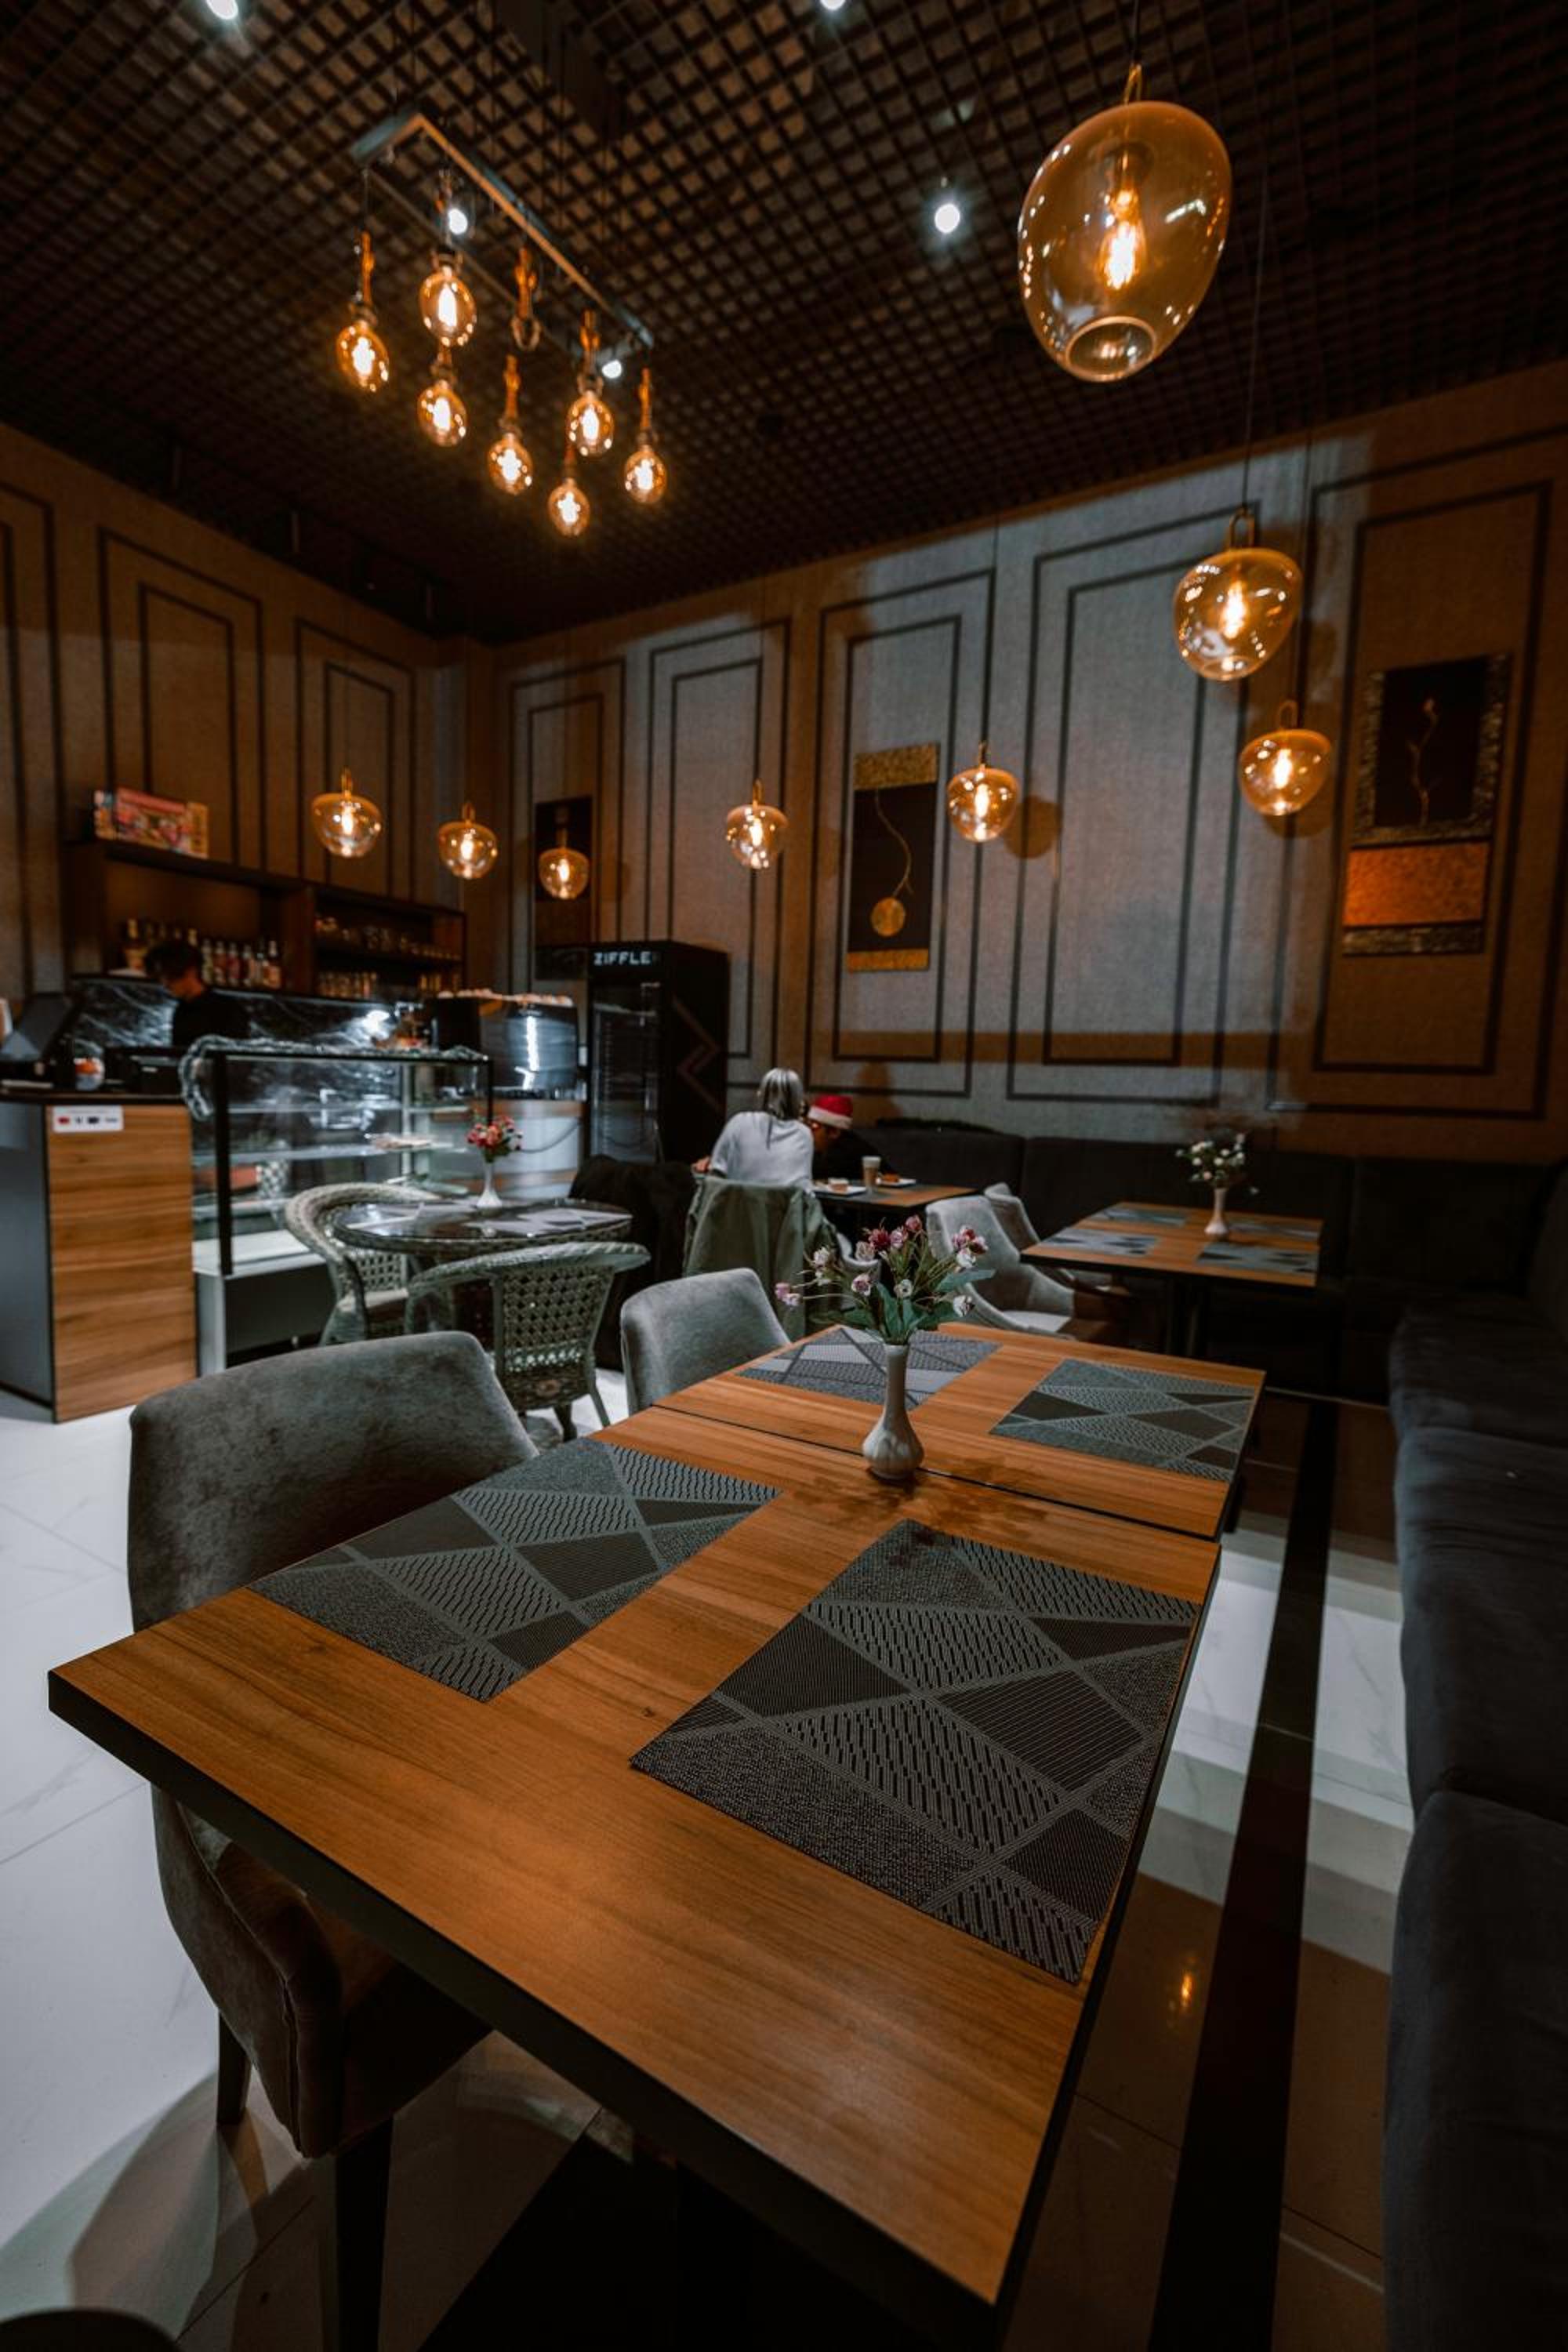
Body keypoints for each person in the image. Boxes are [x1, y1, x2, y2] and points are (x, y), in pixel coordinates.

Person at [694, 1068, 813, 1187]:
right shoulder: (804, 1134)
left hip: (739, 1198)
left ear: (762, 1094)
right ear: (797, 1100)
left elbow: (716, 1171)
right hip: (787, 1200)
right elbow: (803, 1186)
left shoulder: (739, 1121)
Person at [145, 938, 252, 1058]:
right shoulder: (181, 1010)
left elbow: (237, 1059)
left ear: (191, 971)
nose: (165, 984)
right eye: (161, 977)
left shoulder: (228, 1010)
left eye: (170, 976)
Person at [805, 1091, 873, 1181]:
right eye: (808, 1125)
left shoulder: (846, 1151)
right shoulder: (827, 1147)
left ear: (834, 1132)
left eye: (815, 1126)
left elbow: (813, 1172)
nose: (809, 1132)